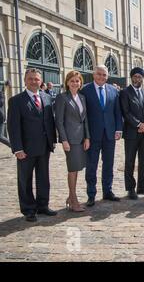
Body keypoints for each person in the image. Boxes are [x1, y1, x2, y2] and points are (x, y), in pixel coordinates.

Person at [7, 68, 57, 222]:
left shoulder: (46, 98)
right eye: (31, 79)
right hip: (26, 149)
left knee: (43, 177)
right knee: (25, 179)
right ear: (25, 80)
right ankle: (28, 209)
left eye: (36, 79)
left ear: (40, 81)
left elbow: (49, 121)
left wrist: (52, 141)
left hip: (44, 147)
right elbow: (13, 126)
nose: (34, 82)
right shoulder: (16, 100)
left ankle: (43, 205)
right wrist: (17, 148)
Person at [80, 65, 123, 207]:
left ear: (107, 76)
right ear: (94, 75)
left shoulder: (113, 90)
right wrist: (85, 135)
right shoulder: (85, 90)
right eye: (99, 74)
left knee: (108, 164)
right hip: (92, 135)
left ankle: (107, 191)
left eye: (104, 75)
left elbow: (117, 112)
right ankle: (91, 194)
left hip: (109, 134)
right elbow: (83, 116)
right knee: (92, 165)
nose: (101, 77)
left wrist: (118, 129)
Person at [54, 71, 90, 212]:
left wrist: (87, 137)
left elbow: (85, 119)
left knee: (77, 168)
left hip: (81, 138)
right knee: (72, 169)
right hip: (70, 139)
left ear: (80, 83)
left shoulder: (82, 97)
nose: (75, 83)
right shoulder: (62, 98)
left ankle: (70, 197)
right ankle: (74, 200)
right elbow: (59, 121)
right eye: (72, 81)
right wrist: (64, 140)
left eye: (77, 81)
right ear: (67, 82)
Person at [120, 67, 144, 200]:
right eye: (135, 76)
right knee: (130, 161)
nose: (137, 79)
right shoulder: (125, 93)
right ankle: (130, 188)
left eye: (139, 77)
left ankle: (142, 185)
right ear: (131, 77)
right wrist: (139, 124)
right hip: (131, 133)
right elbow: (126, 112)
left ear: (142, 78)